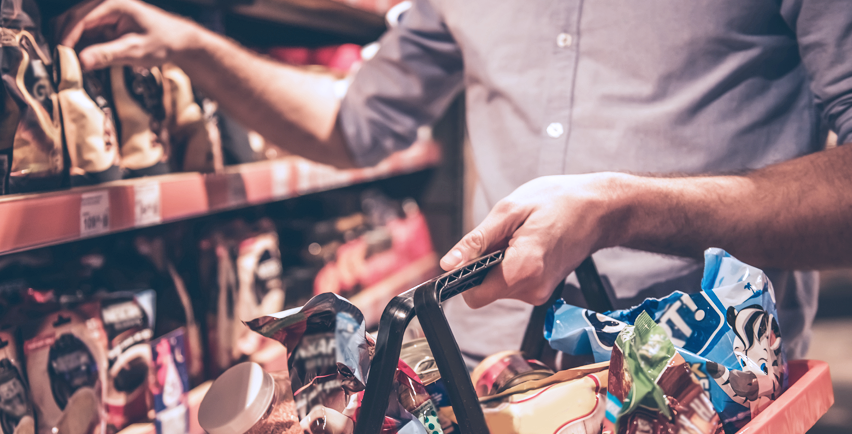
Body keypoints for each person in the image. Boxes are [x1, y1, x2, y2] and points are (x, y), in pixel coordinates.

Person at [60, 0, 852, 363]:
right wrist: (193, 46)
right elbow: (353, 124)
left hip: (697, 380)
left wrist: (626, 206)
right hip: (485, 373)